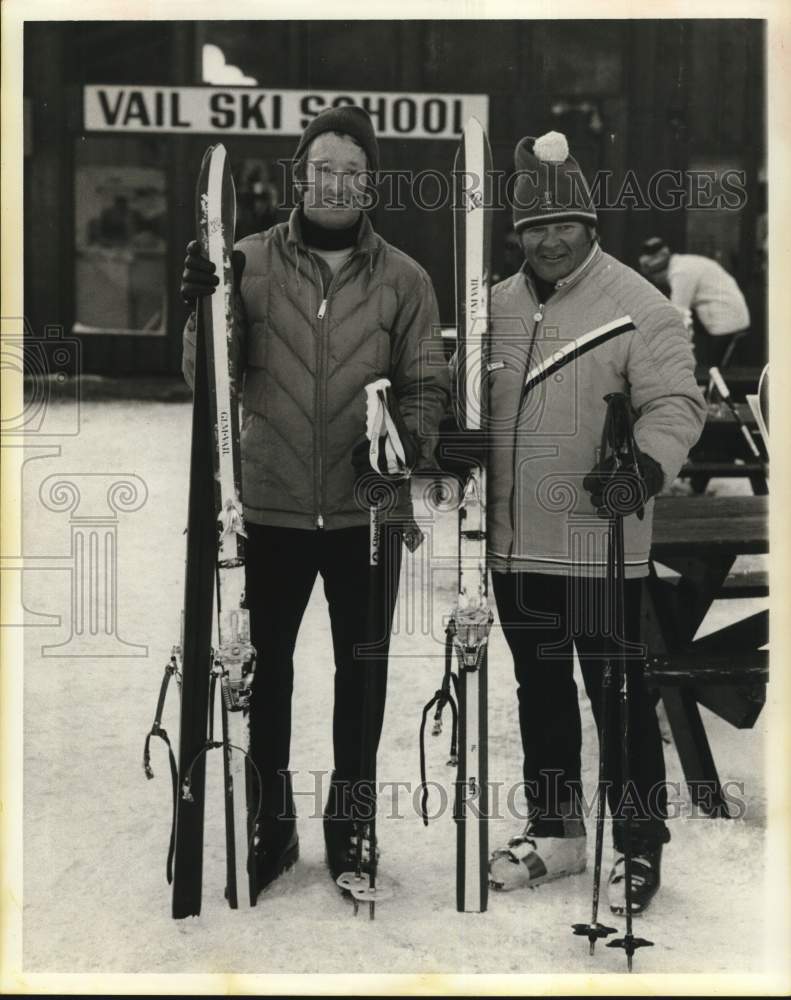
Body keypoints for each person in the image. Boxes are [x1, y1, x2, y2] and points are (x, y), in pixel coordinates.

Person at [180, 105, 449, 897]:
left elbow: (428, 383)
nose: (336, 184)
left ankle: (351, 820)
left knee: (359, 673)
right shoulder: (248, 259)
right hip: (269, 507)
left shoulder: (405, 278)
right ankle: (271, 819)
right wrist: (203, 304)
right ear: (299, 177)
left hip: (366, 511)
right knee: (266, 676)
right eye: (322, 168)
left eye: (352, 171)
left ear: (371, 184)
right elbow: (208, 382)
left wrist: (401, 439)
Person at [475, 131, 706, 914]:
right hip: (512, 547)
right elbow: (462, 398)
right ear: (516, 234)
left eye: (562, 222)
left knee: (618, 695)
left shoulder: (640, 306)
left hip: (600, 542)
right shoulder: (495, 306)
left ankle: (637, 844)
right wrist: (448, 433)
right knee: (536, 690)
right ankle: (557, 833)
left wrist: (642, 466)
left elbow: (677, 403)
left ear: (589, 222)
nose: (548, 237)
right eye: (533, 226)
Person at [638, 235, 751, 369]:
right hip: (724, 318)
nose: (657, 282)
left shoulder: (680, 273)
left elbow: (678, 316)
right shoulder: (682, 262)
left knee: (712, 372)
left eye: (655, 278)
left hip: (728, 323)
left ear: (658, 273)